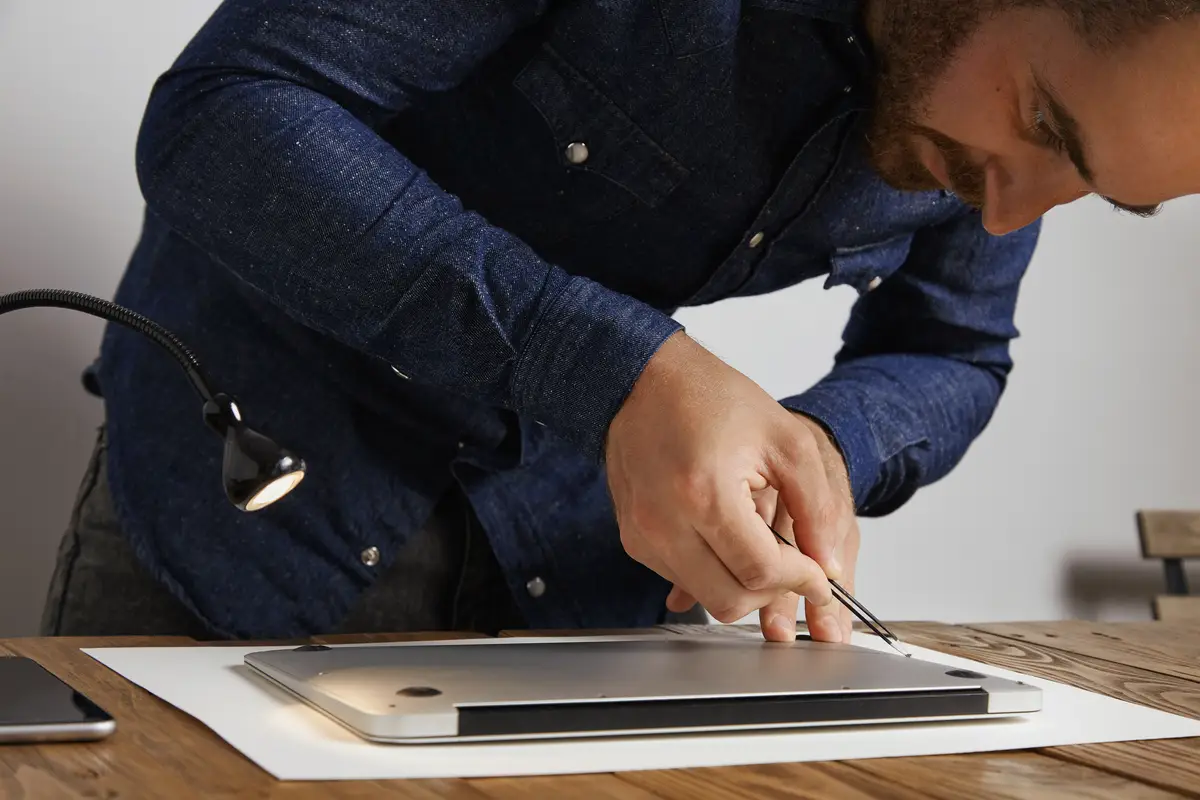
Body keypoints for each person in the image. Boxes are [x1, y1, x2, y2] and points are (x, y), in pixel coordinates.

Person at [41, 0, 1199, 643]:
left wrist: (820, 455)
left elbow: (951, 348)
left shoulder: (1004, 157)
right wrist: (621, 365)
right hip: (245, 508)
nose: (1007, 211)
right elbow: (226, 115)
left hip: (575, 576)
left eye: (1104, 187)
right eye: (1045, 125)